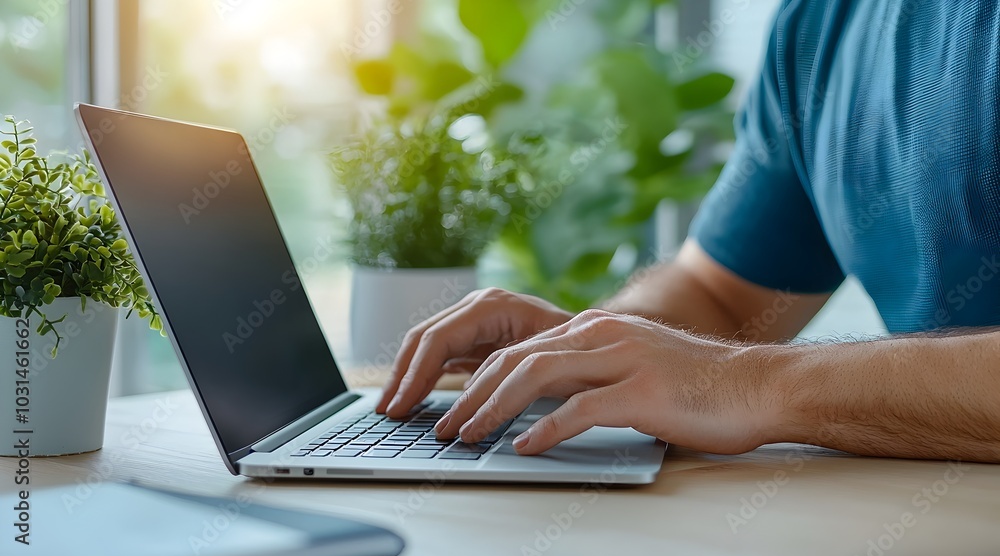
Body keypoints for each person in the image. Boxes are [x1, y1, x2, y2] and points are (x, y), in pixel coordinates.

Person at [378, 1, 1000, 463]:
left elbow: (737, 367)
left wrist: (750, 383)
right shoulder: (821, 21)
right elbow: (720, 292)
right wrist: (590, 346)